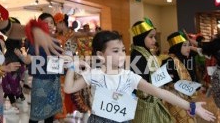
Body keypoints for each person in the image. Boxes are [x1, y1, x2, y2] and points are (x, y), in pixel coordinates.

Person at [63, 30, 216, 122]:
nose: (122, 54)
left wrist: (191, 106)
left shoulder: (129, 76)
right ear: (100, 55)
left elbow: (159, 92)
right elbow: (69, 89)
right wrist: (72, 67)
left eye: (123, 50)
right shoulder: (94, 74)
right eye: (115, 51)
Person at [16, 14, 63, 123]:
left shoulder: (55, 41)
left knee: (50, 113)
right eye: (46, 23)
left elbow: (59, 60)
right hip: (41, 82)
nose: (50, 25)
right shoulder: (36, 42)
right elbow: (29, 60)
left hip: (54, 81)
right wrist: (20, 56)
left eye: (52, 22)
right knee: (36, 113)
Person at [129, 19, 173, 122]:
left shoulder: (146, 53)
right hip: (145, 107)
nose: (155, 40)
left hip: (152, 101)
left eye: (155, 37)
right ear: (140, 37)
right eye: (151, 37)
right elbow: (141, 88)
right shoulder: (137, 56)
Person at [162, 31, 198, 123]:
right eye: (184, 45)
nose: (188, 48)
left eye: (189, 45)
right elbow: (163, 82)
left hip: (188, 100)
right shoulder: (169, 61)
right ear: (177, 47)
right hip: (175, 102)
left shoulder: (187, 59)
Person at [187, 32, 220, 108]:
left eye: (213, 38)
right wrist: (192, 46)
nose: (211, 37)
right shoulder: (214, 47)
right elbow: (203, 49)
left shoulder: (215, 45)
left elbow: (204, 48)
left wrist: (193, 44)